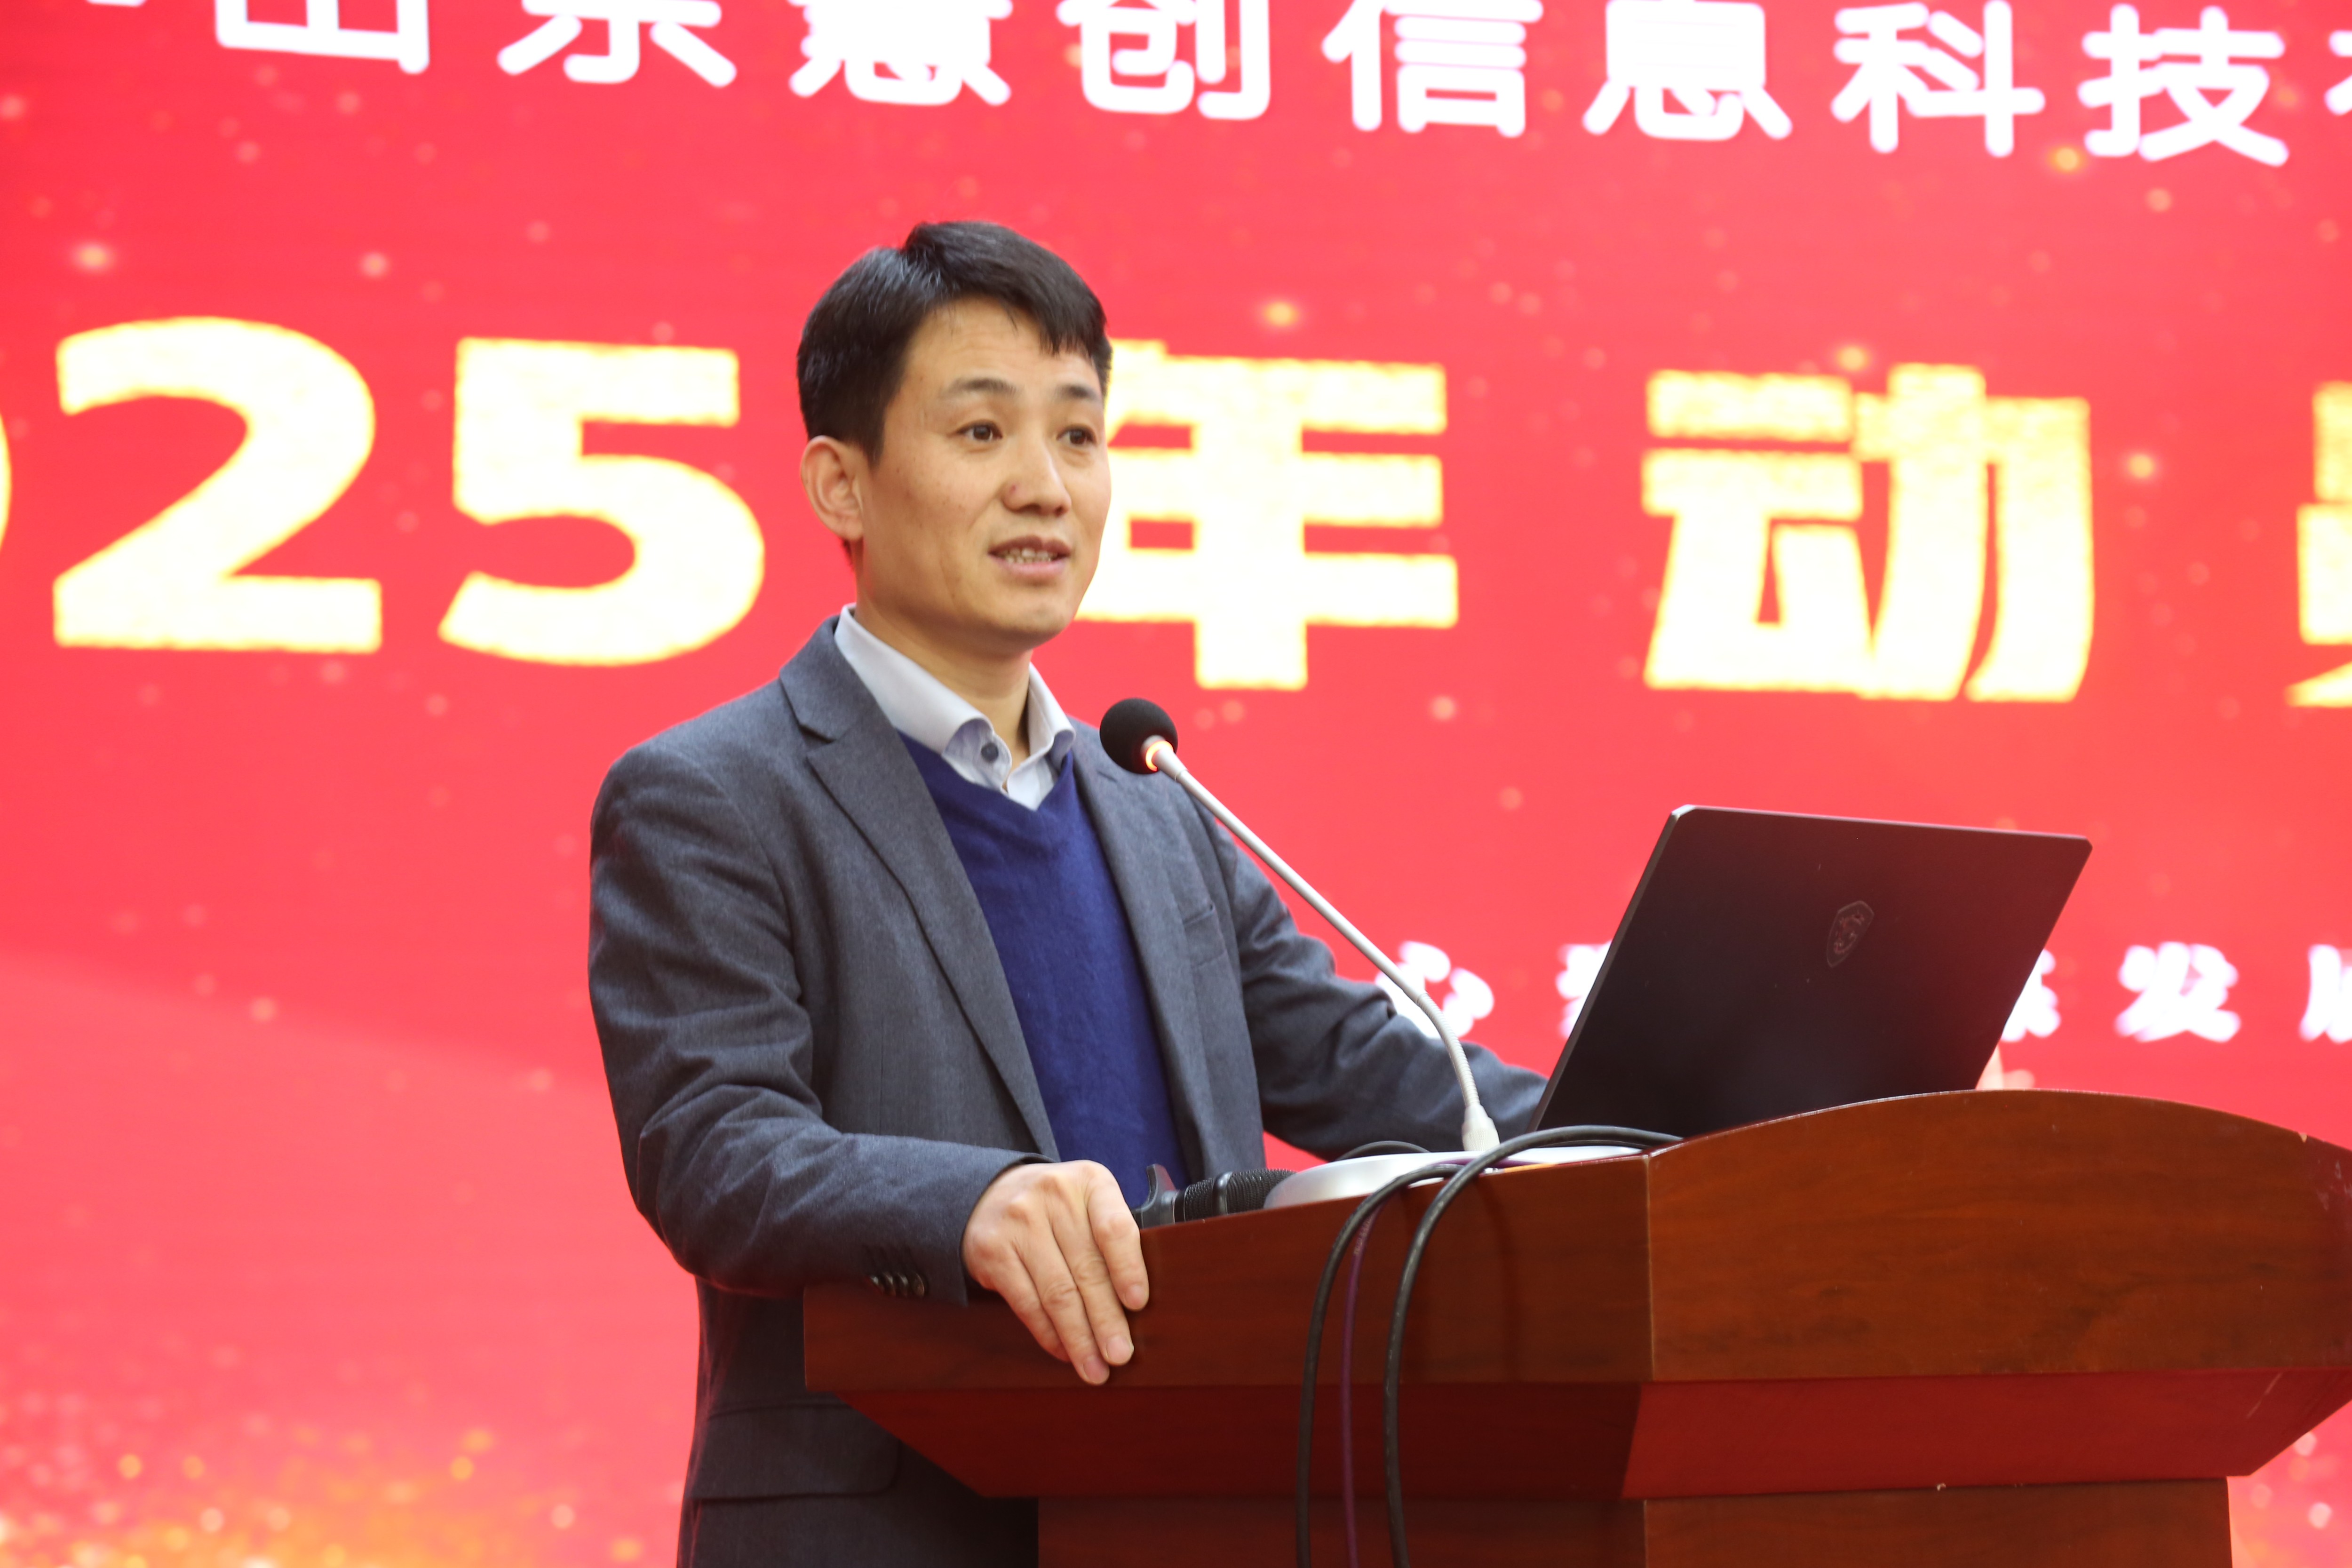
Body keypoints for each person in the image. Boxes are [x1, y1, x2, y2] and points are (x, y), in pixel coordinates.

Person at [588, 221, 1545, 1568]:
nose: (1045, 487)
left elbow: (1367, 1068)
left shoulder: (1154, 801)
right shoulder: (715, 793)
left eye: (1080, 436)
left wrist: (1652, 1120)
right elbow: (714, 1149)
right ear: (841, 484)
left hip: (1183, 1514)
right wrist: (970, 1204)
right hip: (889, 1527)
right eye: (982, 433)